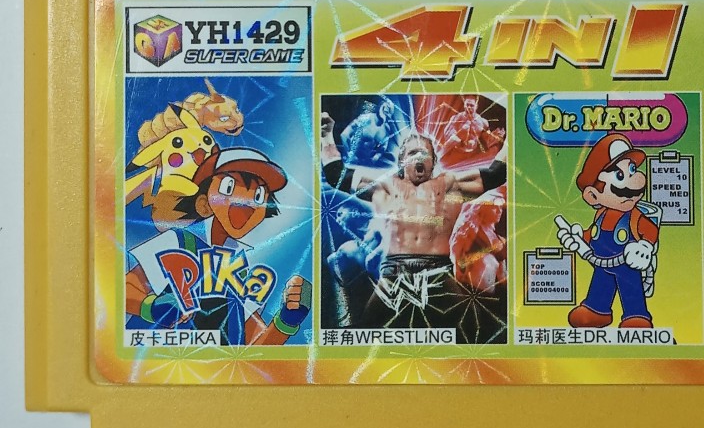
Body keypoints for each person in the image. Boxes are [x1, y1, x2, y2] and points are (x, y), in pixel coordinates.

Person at [320, 111, 507, 335]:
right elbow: (337, 175)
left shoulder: (450, 186)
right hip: (394, 273)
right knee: (365, 334)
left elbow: (497, 173)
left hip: (438, 271)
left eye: (424, 153)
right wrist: (326, 135)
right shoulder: (385, 187)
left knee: (479, 334)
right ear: (402, 161)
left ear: (433, 162)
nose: (419, 157)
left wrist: (515, 137)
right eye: (412, 153)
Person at [126, 147, 311, 345]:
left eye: (258, 196)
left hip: (216, 363)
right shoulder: (178, 241)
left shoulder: (244, 268)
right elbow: (125, 289)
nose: (246, 203)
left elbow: (255, 348)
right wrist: (151, 307)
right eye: (229, 187)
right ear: (204, 202)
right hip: (154, 356)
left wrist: (286, 322)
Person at [555, 134, 661, 329]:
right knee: (600, 286)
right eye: (620, 175)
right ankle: (597, 311)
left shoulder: (634, 216)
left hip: (626, 265)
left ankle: (636, 316)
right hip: (601, 264)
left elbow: (650, 231)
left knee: (631, 291)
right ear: (592, 195)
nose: (635, 180)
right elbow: (593, 235)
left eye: (632, 169)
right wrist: (578, 237)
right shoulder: (600, 215)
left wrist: (645, 247)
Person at [440, 94, 505, 163]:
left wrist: (496, 136)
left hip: (472, 155)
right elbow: (446, 135)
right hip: (456, 153)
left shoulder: (483, 122)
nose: (469, 107)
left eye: (471, 105)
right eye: (467, 105)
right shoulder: (456, 118)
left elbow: (487, 139)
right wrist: (459, 136)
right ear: (464, 105)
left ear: (476, 106)